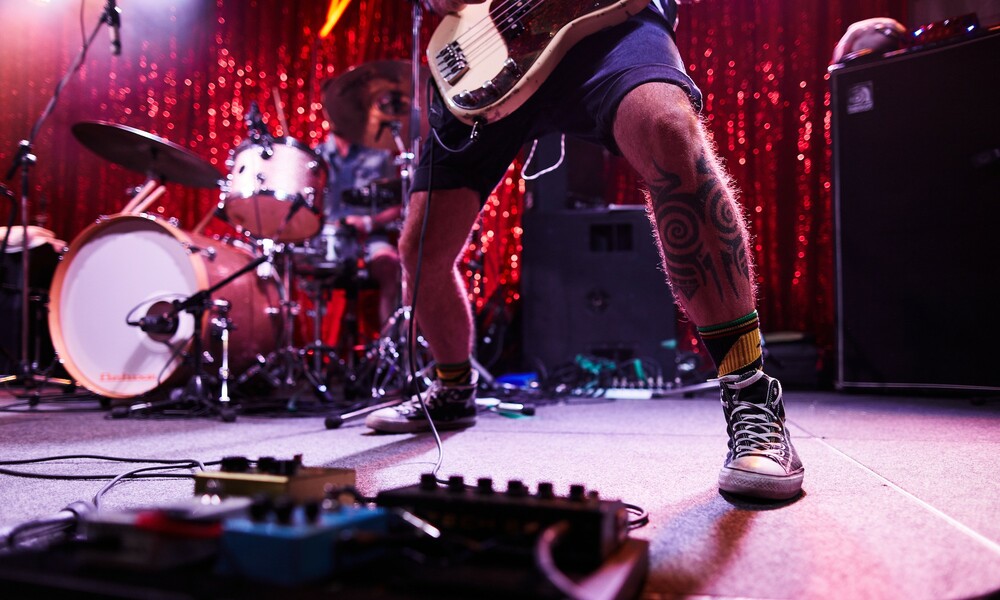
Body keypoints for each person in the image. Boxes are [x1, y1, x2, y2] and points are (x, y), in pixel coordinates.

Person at [365, 0, 805, 500]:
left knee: (667, 128)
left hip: (603, 19)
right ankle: (452, 387)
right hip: (493, 42)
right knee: (420, 245)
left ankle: (752, 395)